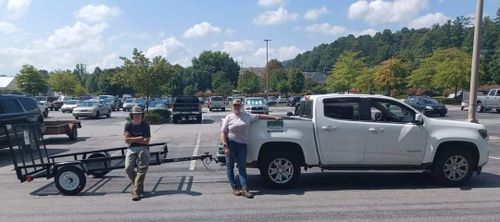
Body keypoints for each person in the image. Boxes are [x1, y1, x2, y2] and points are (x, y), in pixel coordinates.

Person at [220, 99, 281, 198]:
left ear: (241, 106)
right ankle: (234, 187)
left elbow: (260, 116)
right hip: (231, 143)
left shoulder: (247, 116)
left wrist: (274, 117)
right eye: (235, 106)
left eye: (238, 105)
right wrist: (225, 146)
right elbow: (223, 132)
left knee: (242, 166)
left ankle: (244, 188)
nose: (237, 107)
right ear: (232, 107)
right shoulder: (229, 117)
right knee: (229, 166)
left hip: (242, 145)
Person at [124, 106, 151, 201]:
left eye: (139, 114)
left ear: (142, 115)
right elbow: (126, 140)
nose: (137, 115)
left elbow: (147, 141)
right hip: (131, 148)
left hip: (144, 148)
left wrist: (133, 139)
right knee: (128, 168)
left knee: (142, 169)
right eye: (135, 114)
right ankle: (138, 184)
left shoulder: (145, 125)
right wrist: (140, 138)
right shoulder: (128, 124)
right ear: (132, 115)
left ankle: (136, 192)